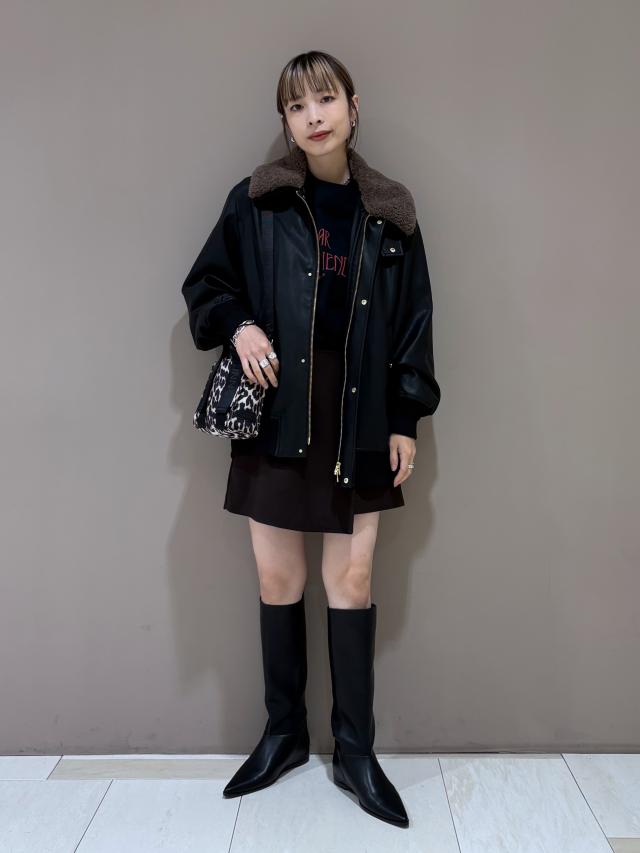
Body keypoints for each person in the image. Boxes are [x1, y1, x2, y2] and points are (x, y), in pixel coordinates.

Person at [181, 50, 441, 829]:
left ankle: (356, 751)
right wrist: (240, 325)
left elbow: (414, 322)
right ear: (286, 122)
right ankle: (285, 733)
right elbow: (207, 285)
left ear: (353, 108)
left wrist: (406, 418)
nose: (313, 116)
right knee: (277, 578)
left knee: (351, 580)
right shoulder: (256, 200)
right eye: (297, 106)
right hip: (279, 410)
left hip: (360, 412)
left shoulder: (390, 211)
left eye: (325, 99)